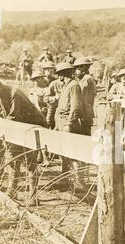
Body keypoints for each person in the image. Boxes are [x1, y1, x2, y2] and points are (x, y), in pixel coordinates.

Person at [0, 76, 48, 202]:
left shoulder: (14, 93)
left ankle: (34, 195)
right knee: (12, 159)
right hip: (17, 129)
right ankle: (12, 190)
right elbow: (5, 115)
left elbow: (13, 117)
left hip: (31, 128)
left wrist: (1, 128)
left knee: (30, 163)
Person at [54, 62, 87, 192]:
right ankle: (66, 180)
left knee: (73, 153)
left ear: (63, 74)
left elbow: (75, 107)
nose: (58, 77)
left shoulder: (73, 86)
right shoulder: (67, 86)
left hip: (69, 124)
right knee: (64, 153)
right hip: (62, 122)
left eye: (59, 74)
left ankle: (79, 183)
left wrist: (69, 124)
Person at [73, 57, 96, 136]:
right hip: (87, 110)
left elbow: (81, 95)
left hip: (84, 111)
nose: (76, 71)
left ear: (83, 67)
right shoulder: (87, 78)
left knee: (84, 134)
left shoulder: (86, 79)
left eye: (77, 68)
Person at [43, 63, 69, 129]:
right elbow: (45, 98)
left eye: (64, 74)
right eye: (60, 74)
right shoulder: (54, 84)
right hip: (53, 109)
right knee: (49, 123)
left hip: (66, 111)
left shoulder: (71, 84)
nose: (62, 76)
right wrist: (55, 98)